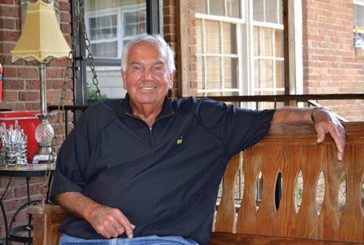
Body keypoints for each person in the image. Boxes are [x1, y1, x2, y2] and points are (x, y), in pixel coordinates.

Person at [50, 34, 345, 245]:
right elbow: (64, 185)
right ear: (124, 75)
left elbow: (269, 117)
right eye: (137, 68)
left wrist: (317, 113)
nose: (147, 77)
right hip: (87, 239)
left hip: (165, 240)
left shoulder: (202, 118)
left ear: (171, 76)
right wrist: (93, 210)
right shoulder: (99, 118)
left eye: (157, 67)